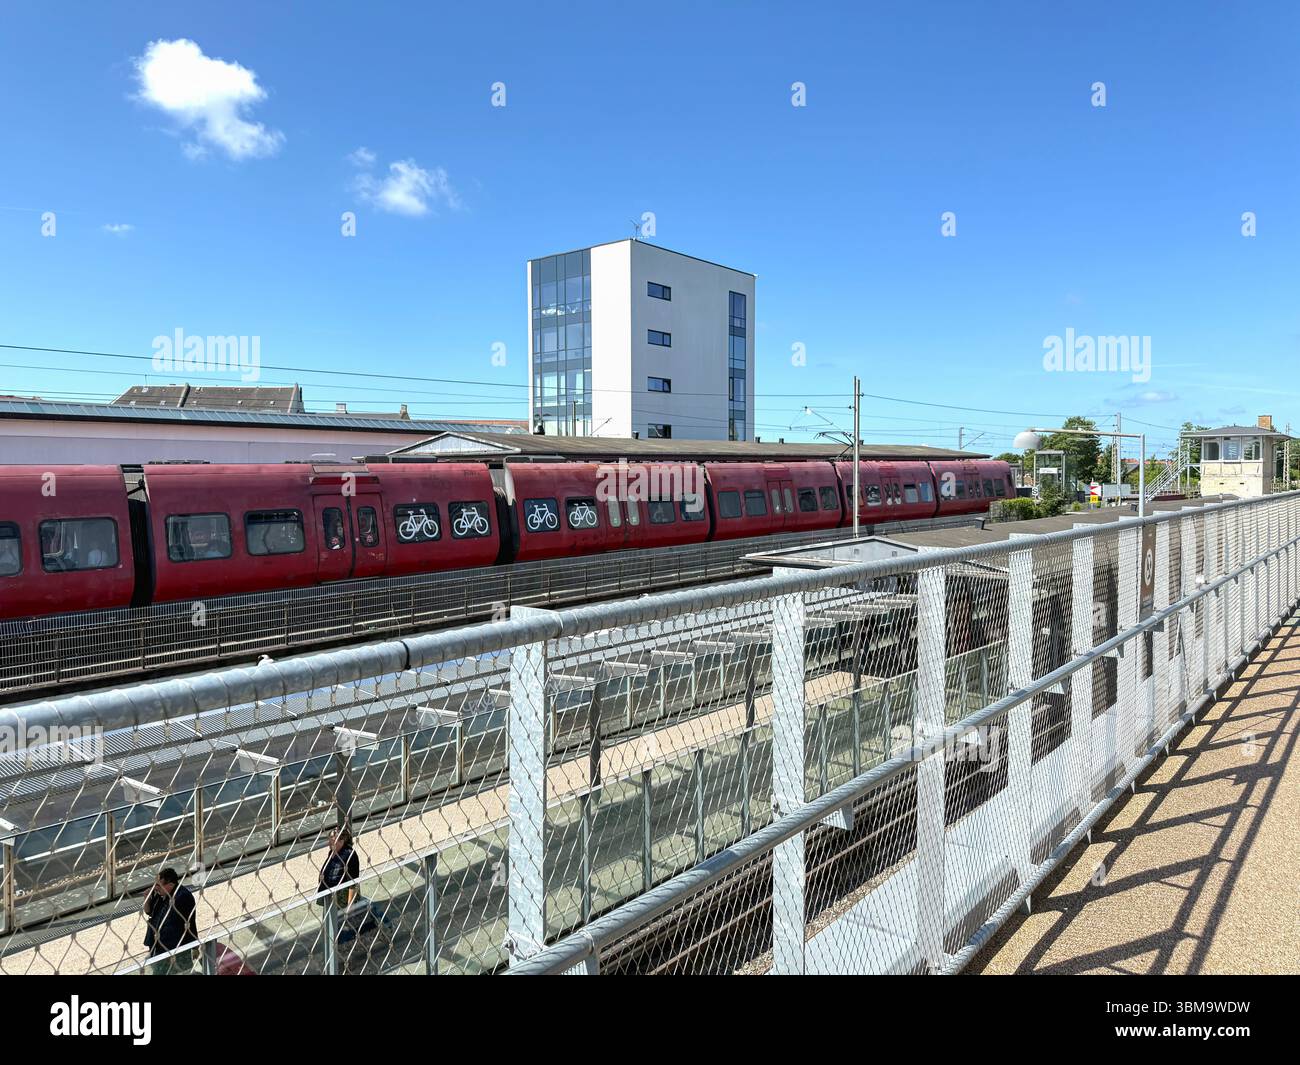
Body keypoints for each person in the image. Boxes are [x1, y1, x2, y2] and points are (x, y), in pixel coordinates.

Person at [143, 867, 198, 975]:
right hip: (158, 946)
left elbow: (190, 922)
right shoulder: (160, 895)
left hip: (175, 947)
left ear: (170, 885)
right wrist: (147, 899)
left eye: (159, 885)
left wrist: (194, 946)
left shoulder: (182, 897)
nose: (155, 888)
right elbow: (149, 912)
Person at [318, 827, 360, 912]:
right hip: (330, 895)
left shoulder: (349, 854)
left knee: (340, 922)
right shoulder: (332, 852)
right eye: (329, 840)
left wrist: (350, 906)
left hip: (342, 899)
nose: (329, 843)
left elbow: (353, 882)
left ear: (341, 841)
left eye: (332, 840)